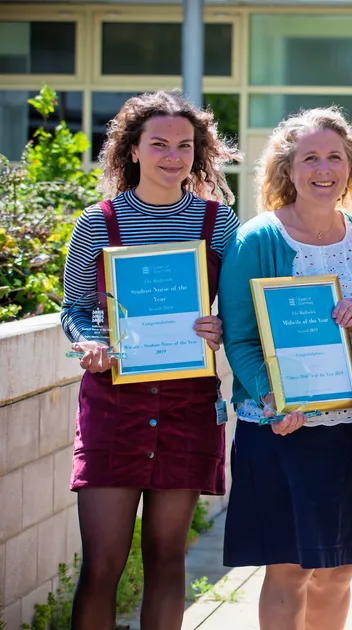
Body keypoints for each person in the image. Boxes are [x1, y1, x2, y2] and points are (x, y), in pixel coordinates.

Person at [218, 107, 352, 630]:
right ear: (288, 168)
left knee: (339, 571)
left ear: (351, 166)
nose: (323, 169)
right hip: (286, 426)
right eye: (309, 158)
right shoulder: (257, 241)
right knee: (288, 569)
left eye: (334, 157)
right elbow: (239, 337)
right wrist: (271, 397)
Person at [61, 90, 240, 629]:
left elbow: (238, 311)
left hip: (187, 404)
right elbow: (74, 307)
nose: (173, 156)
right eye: (158, 144)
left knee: (168, 557)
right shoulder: (99, 221)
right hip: (115, 403)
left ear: (198, 152)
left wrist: (221, 325)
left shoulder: (220, 223)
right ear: (132, 150)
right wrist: (90, 342)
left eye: (184, 146)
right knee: (103, 564)